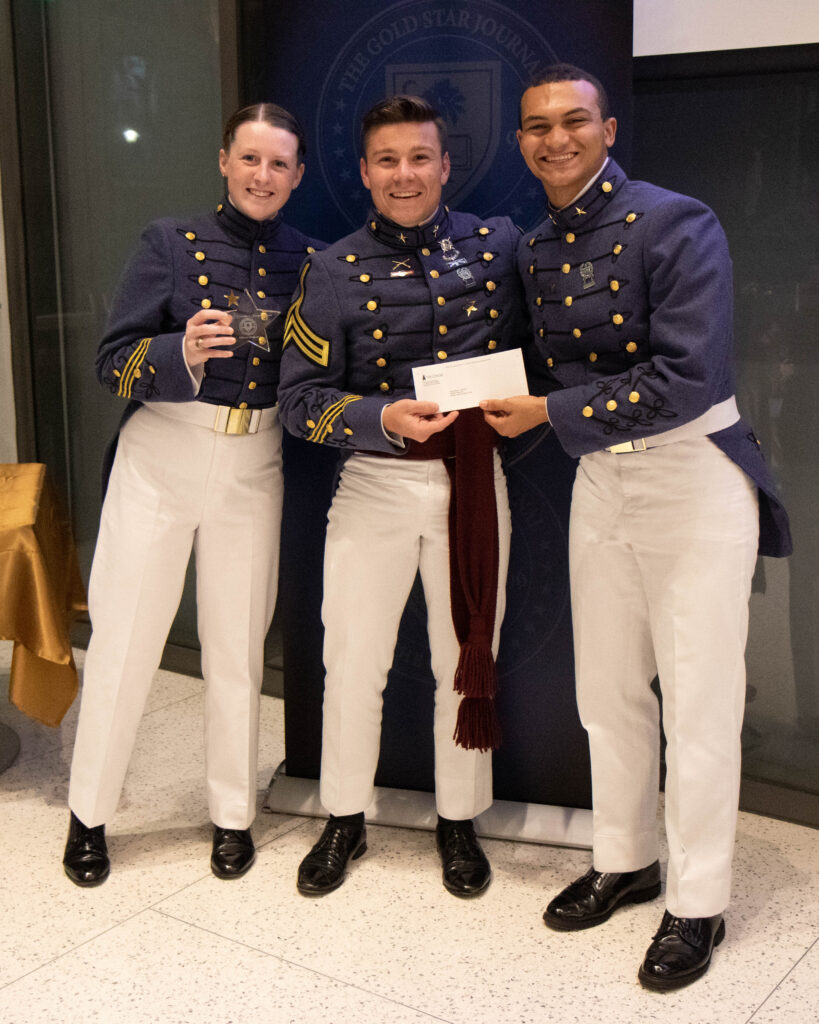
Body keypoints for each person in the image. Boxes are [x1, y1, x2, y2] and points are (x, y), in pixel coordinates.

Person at [481, 65, 791, 989]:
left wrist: (547, 414)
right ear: (522, 142)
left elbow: (686, 379)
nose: (554, 138)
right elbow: (545, 366)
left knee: (698, 705)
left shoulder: (674, 219)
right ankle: (625, 858)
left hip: (692, 478)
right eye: (536, 126)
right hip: (601, 482)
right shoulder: (538, 246)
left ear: (607, 129)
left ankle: (697, 904)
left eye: (573, 120)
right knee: (606, 690)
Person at [63, 103, 323, 886]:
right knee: (125, 640)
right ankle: (89, 815)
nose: (262, 176)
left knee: (238, 649)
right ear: (223, 161)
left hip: (257, 462)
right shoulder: (169, 243)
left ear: (297, 175)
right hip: (164, 457)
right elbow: (112, 360)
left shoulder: (312, 261)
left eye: (278, 164)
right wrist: (179, 351)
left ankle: (232, 816)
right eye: (250, 159)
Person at [277, 95, 526, 898]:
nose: (404, 174)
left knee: (465, 661)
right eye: (387, 161)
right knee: (352, 661)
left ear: (445, 166)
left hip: (473, 487)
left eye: (419, 157)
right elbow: (297, 399)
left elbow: (543, 351)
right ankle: (343, 817)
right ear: (363, 173)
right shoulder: (336, 267)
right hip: (374, 484)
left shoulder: (498, 247)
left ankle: (459, 821)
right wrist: (376, 416)